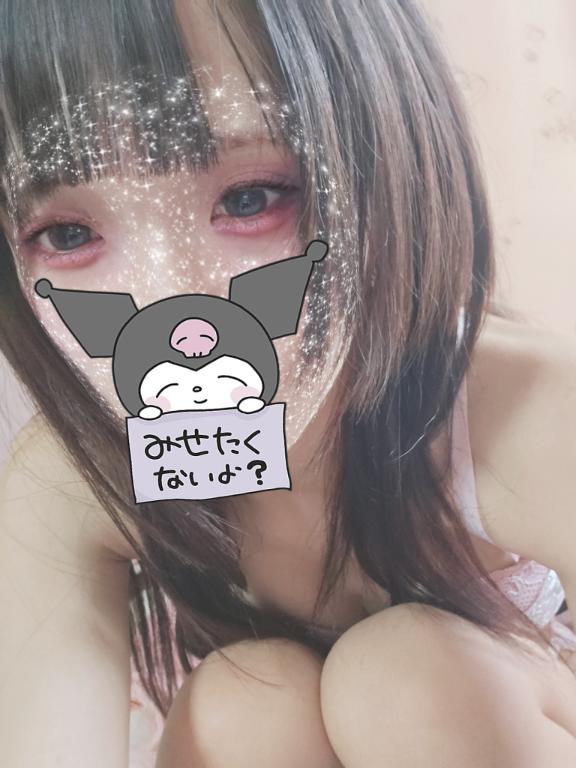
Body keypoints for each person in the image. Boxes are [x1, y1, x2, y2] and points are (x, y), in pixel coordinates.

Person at [0, 1, 575, 766]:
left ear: (392, 155)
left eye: (250, 198)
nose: (176, 308)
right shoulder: (73, 478)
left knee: (406, 676)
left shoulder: (526, 412)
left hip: (504, 705)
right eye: (69, 234)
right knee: (245, 705)